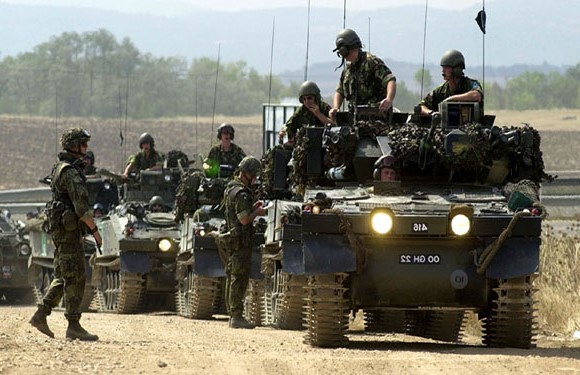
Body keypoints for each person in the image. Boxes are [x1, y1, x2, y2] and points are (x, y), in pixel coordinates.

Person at [29, 127, 101, 341]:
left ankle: (41, 314)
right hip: (68, 233)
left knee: (62, 275)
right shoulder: (69, 172)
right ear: (73, 145)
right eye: (83, 144)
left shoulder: (59, 167)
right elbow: (81, 207)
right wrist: (95, 231)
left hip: (62, 231)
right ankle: (73, 325)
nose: (86, 149)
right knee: (77, 276)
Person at [222, 156, 266, 329]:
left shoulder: (231, 188)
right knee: (238, 278)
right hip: (240, 240)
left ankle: (232, 314)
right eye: (254, 174)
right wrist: (258, 213)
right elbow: (245, 219)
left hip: (235, 239)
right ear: (247, 173)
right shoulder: (241, 193)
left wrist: (253, 207)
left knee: (232, 276)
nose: (255, 178)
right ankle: (236, 316)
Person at [329, 28, 397, 123]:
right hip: (354, 121)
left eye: (342, 51)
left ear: (351, 47)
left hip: (377, 120)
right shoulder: (348, 70)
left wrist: (389, 99)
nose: (342, 55)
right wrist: (336, 107)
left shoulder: (371, 62)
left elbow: (390, 79)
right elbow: (339, 91)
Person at [419, 49, 483, 116]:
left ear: (457, 69)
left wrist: (451, 99)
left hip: (471, 125)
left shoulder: (470, 84)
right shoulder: (440, 90)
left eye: (447, 67)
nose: (443, 70)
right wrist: (431, 113)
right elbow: (421, 106)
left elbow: (476, 96)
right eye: (443, 67)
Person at [278, 81, 334, 145]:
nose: (306, 101)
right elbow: (289, 125)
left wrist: (319, 114)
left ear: (316, 98)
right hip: (305, 146)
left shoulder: (324, 108)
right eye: (304, 99)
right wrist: (283, 132)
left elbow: (334, 125)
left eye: (309, 98)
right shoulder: (301, 111)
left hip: (324, 145)